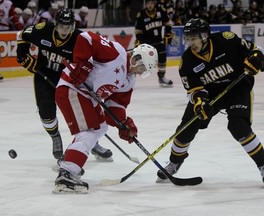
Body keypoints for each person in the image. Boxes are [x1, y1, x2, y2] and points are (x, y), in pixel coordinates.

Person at [156, 18, 264, 184]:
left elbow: (256, 51)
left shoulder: (226, 40)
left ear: (205, 35)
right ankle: (174, 162)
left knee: (238, 127)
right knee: (186, 128)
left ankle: (263, 166)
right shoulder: (187, 62)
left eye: (194, 38)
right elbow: (194, 90)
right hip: (210, 94)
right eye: (188, 38)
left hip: (238, 88)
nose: (191, 43)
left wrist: (256, 59)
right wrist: (199, 102)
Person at [53, 37, 158, 194]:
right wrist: (83, 64)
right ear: (136, 58)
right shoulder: (117, 54)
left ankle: (70, 159)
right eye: (142, 67)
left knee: (100, 128)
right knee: (87, 133)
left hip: (86, 96)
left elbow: (115, 106)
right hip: (72, 88)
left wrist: (123, 123)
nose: (141, 72)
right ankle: (67, 173)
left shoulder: (129, 80)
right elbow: (86, 38)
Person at [16, 8, 113, 161]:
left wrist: (83, 73)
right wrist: (22, 56)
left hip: (68, 80)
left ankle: (91, 143)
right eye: (61, 26)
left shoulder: (80, 38)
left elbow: (93, 60)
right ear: (56, 24)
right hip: (44, 75)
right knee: (46, 109)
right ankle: (55, 137)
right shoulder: (43, 30)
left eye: (68, 27)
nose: (64, 30)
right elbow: (22, 35)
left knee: (82, 114)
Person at [135, 0, 173, 87]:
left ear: (154, 3)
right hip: (147, 43)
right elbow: (138, 31)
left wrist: (168, 35)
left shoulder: (161, 11)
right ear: (145, 4)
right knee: (141, 62)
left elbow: (168, 23)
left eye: (151, 3)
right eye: (148, 4)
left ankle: (161, 77)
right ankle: (130, 79)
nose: (150, 5)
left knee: (162, 58)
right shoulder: (141, 15)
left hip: (159, 41)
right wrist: (140, 41)